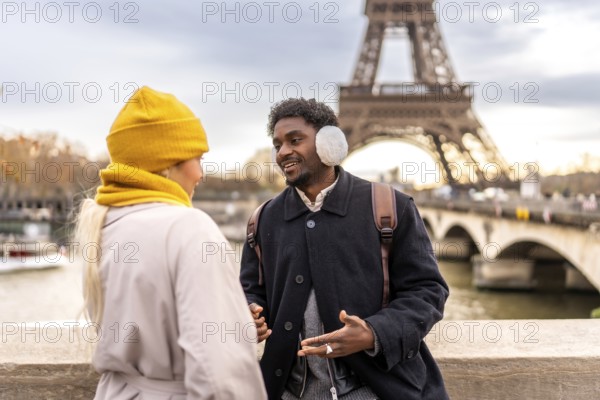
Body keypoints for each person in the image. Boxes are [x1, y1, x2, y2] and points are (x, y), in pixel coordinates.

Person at [240, 98, 449, 400]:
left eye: (295, 140)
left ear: (330, 143)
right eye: (277, 144)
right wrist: (249, 311)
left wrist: (373, 333)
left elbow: (428, 290)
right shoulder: (262, 220)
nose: (284, 151)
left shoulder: (391, 208)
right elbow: (251, 290)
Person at [75, 86, 267, 399]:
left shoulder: (102, 226)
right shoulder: (189, 228)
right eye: (198, 158)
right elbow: (220, 377)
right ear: (168, 162)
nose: (201, 174)